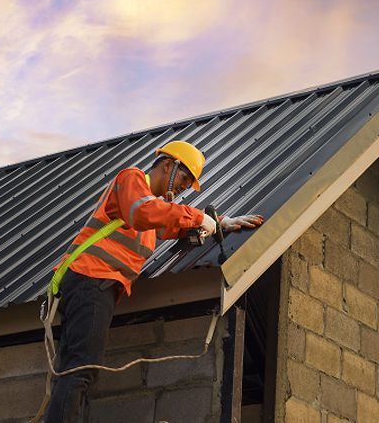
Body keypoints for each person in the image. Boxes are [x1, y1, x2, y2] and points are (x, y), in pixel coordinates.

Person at [45, 140, 263, 422]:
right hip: (91, 278)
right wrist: (197, 215)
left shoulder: (154, 211)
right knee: (81, 370)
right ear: (168, 165)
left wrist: (218, 223)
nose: (186, 186)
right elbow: (143, 212)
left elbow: (171, 223)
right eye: (185, 177)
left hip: (96, 285)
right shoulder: (132, 179)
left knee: (75, 371)